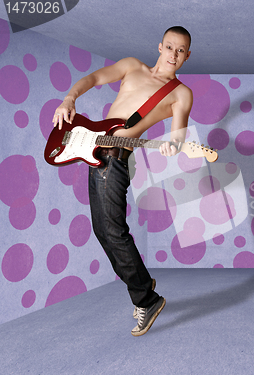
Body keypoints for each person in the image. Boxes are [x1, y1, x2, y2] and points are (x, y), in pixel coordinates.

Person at [52, 26, 193, 336]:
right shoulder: (132, 66)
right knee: (103, 230)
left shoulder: (180, 93)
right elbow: (94, 79)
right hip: (94, 153)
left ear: (187, 56)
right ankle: (142, 283)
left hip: (116, 159)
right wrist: (69, 99)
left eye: (180, 50)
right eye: (169, 47)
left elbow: (179, 133)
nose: (173, 54)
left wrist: (175, 144)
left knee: (114, 231)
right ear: (160, 47)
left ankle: (147, 298)